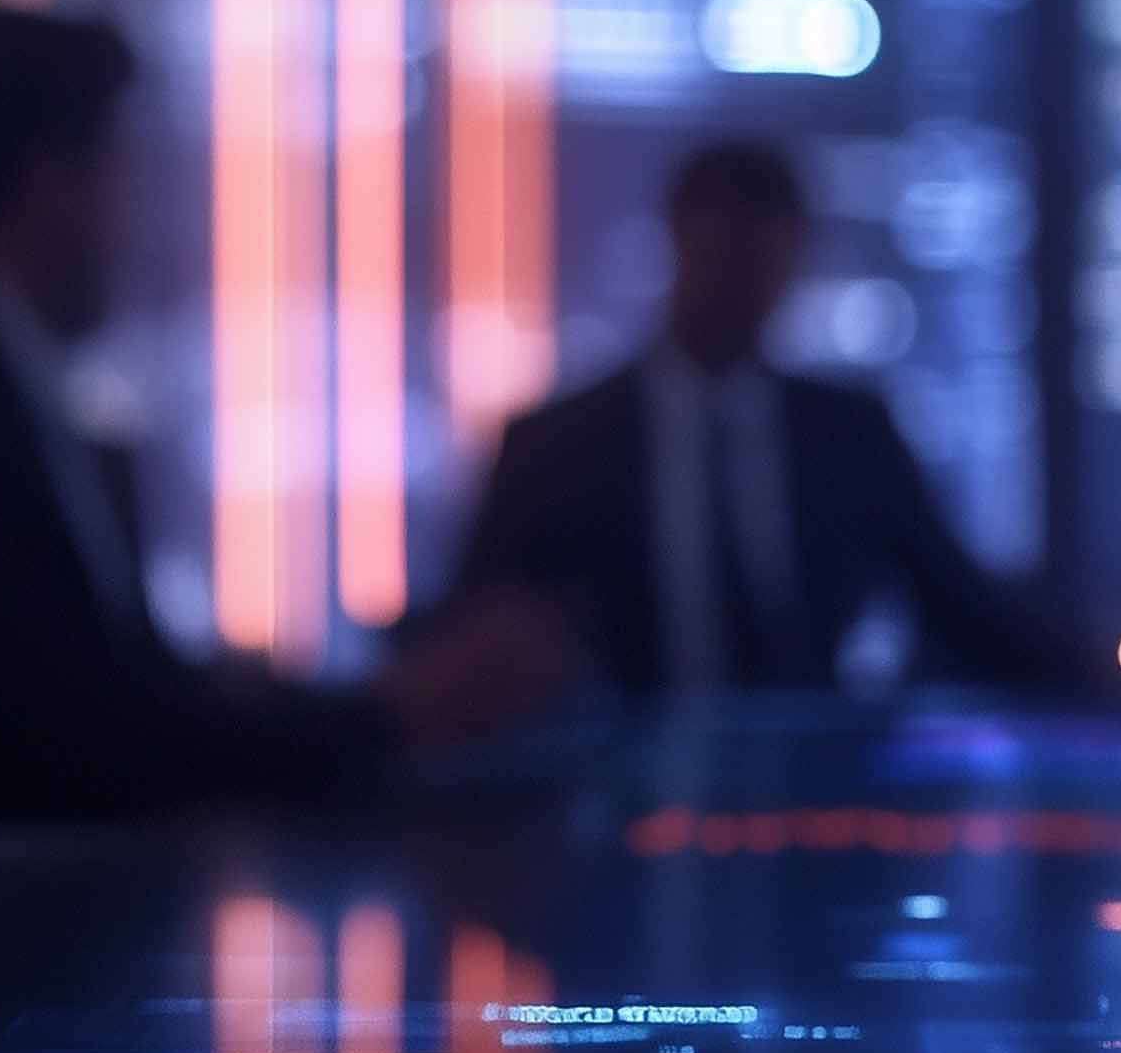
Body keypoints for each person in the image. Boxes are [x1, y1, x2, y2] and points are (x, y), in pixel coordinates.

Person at [0, 4, 569, 821]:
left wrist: (292, 703)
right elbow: (79, 736)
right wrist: (393, 712)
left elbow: (79, 691)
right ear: (49, 181)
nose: (142, 219)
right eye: (124, 167)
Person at [450, 140, 1065, 693]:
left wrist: (1110, 667)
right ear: (680, 243)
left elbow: (960, 612)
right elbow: (476, 627)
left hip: (810, 786)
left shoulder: (852, 436)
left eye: (763, 261)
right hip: (604, 789)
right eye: (724, 255)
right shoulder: (559, 445)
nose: (742, 285)